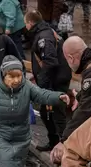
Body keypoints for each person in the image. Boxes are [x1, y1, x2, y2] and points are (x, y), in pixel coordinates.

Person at [24, 10, 72, 152]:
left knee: (57, 113)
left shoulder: (43, 36)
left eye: (26, 23)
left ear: (31, 23)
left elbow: (50, 61)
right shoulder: (44, 32)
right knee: (46, 113)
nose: (25, 26)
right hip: (52, 78)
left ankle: (66, 147)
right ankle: (54, 141)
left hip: (55, 80)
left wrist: (43, 85)